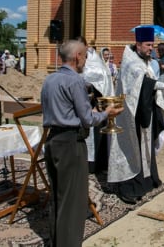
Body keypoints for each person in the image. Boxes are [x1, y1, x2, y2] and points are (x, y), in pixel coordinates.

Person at [41, 38, 123, 247]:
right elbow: (87, 119)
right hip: (71, 143)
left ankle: (56, 241)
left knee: (58, 196)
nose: (86, 60)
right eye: (85, 56)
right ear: (77, 56)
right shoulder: (75, 81)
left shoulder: (49, 79)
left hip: (52, 141)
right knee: (73, 201)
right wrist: (106, 112)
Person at [110, 26, 164, 204]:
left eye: (152, 45)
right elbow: (144, 83)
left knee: (145, 148)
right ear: (138, 44)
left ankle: (148, 180)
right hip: (129, 116)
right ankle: (129, 187)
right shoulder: (130, 62)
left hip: (144, 111)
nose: (151, 48)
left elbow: (147, 84)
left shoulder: (145, 61)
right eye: (148, 45)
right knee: (132, 150)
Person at [82, 46, 114, 173]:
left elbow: (97, 91)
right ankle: (94, 164)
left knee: (95, 137)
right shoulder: (100, 68)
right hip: (93, 109)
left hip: (96, 109)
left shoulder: (94, 70)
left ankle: (95, 165)